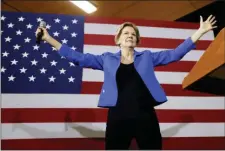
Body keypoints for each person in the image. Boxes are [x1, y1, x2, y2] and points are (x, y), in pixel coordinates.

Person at [36, 15, 217, 150]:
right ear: (118, 39)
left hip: (145, 116)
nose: (130, 35)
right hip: (118, 117)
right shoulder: (106, 59)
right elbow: (78, 58)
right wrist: (48, 38)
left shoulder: (147, 57)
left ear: (137, 40)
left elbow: (174, 54)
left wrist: (200, 31)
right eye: (126, 33)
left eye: (133, 34)